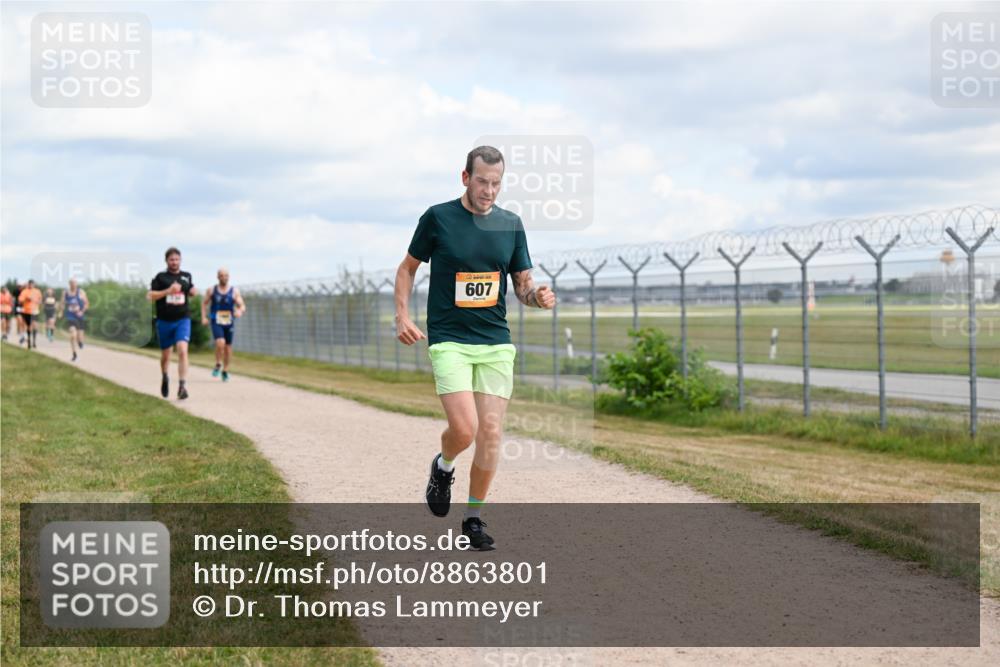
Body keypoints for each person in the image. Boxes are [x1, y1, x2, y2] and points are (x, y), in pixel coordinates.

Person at [394, 146, 556, 551]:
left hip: (495, 342)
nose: (489, 191)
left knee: (491, 433)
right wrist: (402, 315)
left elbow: (521, 285)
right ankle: (443, 465)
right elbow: (407, 269)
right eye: (482, 181)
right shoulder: (438, 218)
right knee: (464, 430)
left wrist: (537, 296)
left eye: (496, 183)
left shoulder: (510, 225)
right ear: (465, 178)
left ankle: (473, 518)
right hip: (449, 339)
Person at [147, 247, 197, 399]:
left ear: (180, 260)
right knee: (166, 355)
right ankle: (165, 376)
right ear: (166, 261)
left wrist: (192, 290)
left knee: (182, 350)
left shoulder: (186, 276)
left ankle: (182, 386)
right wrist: (167, 291)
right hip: (164, 321)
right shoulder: (161, 277)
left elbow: (193, 292)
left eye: (177, 259)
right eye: (171, 259)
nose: (174, 262)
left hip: (182, 319)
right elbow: (150, 295)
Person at [200, 267, 246, 382]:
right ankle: (218, 364)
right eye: (221, 275)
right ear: (218, 277)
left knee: (228, 347)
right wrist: (204, 317)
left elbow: (242, 305)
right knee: (220, 342)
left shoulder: (234, 291)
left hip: (229, 322)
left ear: (229, 277)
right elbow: (204, 304)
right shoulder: (211, 290)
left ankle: (225, 370)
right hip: (216, 321)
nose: (224, 277)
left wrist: (240, 311)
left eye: (226, 275)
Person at [63, 279, 89, 361]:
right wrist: (60, 311)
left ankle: (80, 342)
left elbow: (87, 304)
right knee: (73, 335)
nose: (73, 285)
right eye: (71, 283)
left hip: (79, 317)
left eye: (74, 283)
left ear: (76, 284)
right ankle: (74, 354)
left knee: (80, 337)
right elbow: (62, 303)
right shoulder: (66, 293)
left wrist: (82, 311)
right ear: (69, 284)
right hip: (71, 316)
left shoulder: (81, 292)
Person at [18, 280, 43, 350]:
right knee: (29, 327)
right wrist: (26, 298)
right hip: (27, 311)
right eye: (30, 284)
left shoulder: (37, 291)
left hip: (35, 311)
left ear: (34, 285)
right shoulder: (25, 291)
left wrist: (38, 302)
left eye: (32, 284)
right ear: (28, 284)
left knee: (35, 325)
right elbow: (20, 299)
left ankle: (34, 341)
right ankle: (29, 341)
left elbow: (40, 300)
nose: (31, 285)